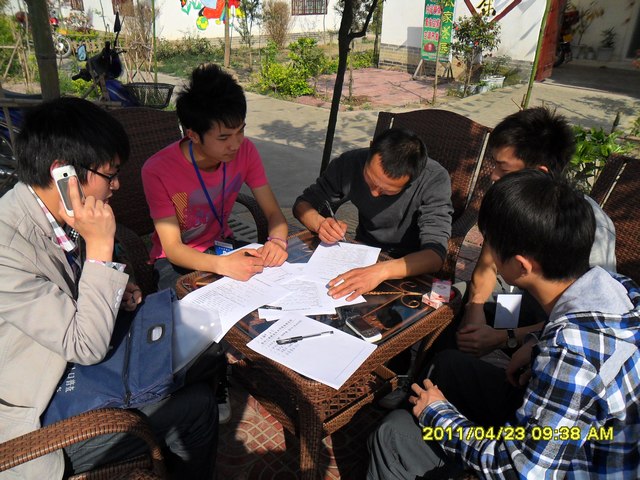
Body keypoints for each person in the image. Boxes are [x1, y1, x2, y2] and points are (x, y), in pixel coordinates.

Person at [367, 169, 640, 479]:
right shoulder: (618, 288)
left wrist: (438, 415)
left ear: (521, 265)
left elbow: (519, 470)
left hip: (572, 465)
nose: (488, 255)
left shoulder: (571, 356)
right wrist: (534, 344)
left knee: (392, 434)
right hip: (570, 428)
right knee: (447, 364)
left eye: (491, 246)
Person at [0, 98, 217, 479]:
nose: (116, 185)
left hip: (73, 363)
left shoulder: (60, 211)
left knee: (206, 353)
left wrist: (116, 285)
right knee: (197, 405)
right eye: (110, 174)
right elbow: (85, 346)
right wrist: (100, 249)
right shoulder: (7, 246)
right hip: (37, 409)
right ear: (63, 173)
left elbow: (74, 286)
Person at [456, 106, 616, 358]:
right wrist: (474, 313)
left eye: (503, 168)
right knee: (454, 309)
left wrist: (505, 338)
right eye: (494, 164)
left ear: (538, 172)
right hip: (514, 298)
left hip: (556, 325)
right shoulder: (511, 205)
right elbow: (487, 265)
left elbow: (587, 319)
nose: (494, 176)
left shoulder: (587, 230)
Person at [142, 63, 289, 291]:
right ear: (193, 135)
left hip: (224, 247)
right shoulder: (157, 170)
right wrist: (223, 265)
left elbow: (273, 214)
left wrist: (277, 241)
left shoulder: (246, 151)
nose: (236, 144)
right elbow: (172, 248)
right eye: (224, 138)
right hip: (176, 261)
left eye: (241, 131)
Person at [293, 127, 453, 301]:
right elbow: (303, 205)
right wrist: (320, 224)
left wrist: (381, 271)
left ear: (411, 180)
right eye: (370, 179)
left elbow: (434, 255)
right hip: (363, 250)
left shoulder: (434, 180)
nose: (374, 193)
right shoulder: (351, 162)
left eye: (387, 191)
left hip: (409, 266)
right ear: (370, 149)